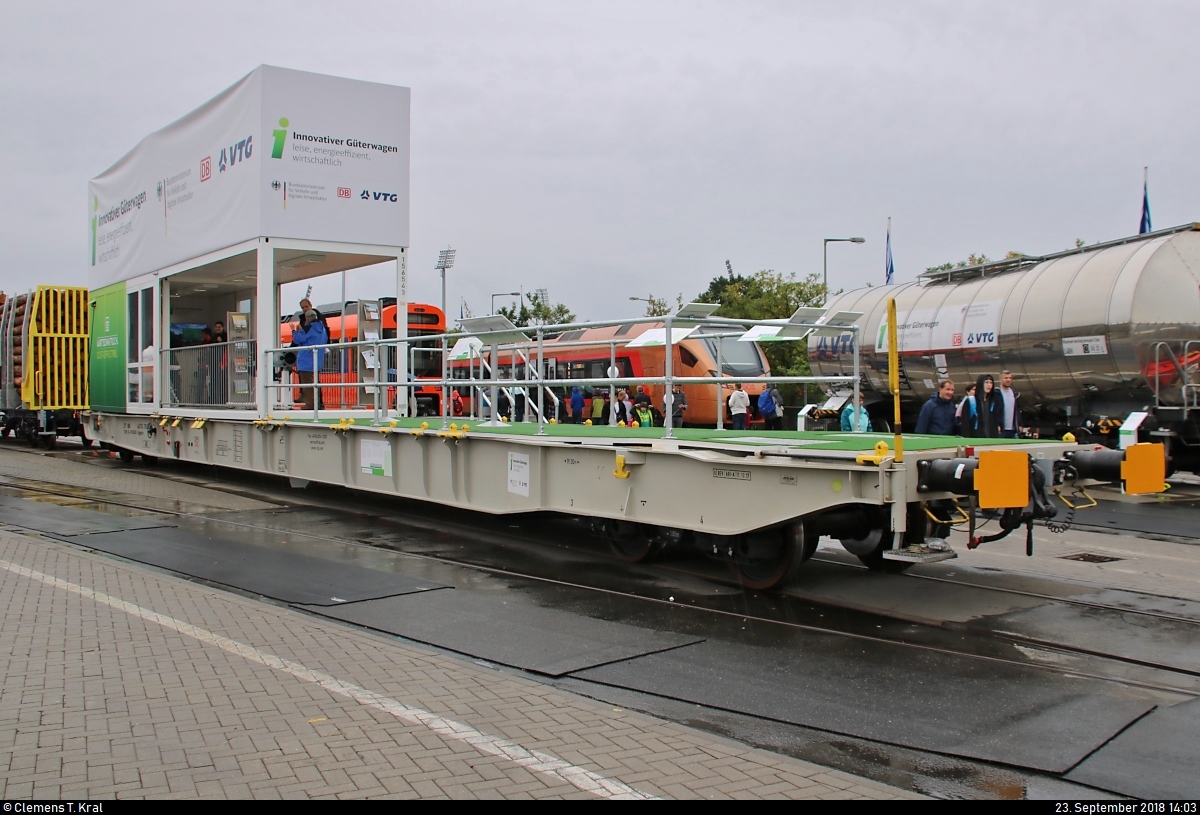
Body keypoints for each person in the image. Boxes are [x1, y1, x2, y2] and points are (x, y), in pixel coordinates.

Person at [291, 309, 329, 409]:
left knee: (308, 385)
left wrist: (294, 331)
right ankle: (319, 404)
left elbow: (298, 339)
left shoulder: (309, 328)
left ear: (307, 319)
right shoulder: (323, 329)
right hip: (317, 361)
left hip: (306, 361)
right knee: (316, 384)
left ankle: (311, 405)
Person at [962, 374, 1003, 438]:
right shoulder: (971, 401)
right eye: (986, 382)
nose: (989, 385)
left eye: (991, 382)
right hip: (975, 437)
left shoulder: (993, 401)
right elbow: (965, 422)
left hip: (991, 437)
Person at [997, 370, 1022, 439]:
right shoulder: (996, 394)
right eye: (1006, 378)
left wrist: (1019, 424)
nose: (1008, 380)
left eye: (1010, 378)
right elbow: (993, 412)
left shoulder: (1015, 394)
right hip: (1001, 430)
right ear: (1000, 380)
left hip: (1013, 430)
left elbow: (1017, 410)